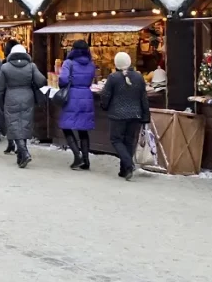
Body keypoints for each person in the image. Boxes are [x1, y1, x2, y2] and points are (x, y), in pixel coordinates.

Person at [0, 44, 46, 168]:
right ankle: (20, 156)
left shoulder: (5, 67)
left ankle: (24, 153)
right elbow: (41, 80)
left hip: (11, 97)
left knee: (14, 125)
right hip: (28, 97)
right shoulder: (31, 66)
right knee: (25, 124)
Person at [100, 51, 150, 180]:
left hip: (117, 115)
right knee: (128, 141)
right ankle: (124, 170)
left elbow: (105, 95)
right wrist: (145, 115)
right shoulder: (138, 77)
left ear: (116, 63)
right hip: (135, 114)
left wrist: (104, 106)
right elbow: (143, 98)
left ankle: (128, 164)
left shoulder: (113, 78)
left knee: (116, 140)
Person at [58, 39, 96, 170]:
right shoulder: (91, 64)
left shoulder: (69, 63)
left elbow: (63, 79)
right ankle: (86, 160)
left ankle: (77, 156)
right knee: (83, 129)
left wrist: (66, 83)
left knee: (66, 126)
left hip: (72, 96)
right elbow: (91, 79)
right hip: (86, 95)